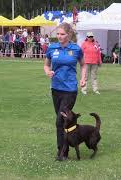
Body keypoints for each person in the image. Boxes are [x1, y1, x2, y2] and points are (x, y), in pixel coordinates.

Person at [43, 22, 86, 160]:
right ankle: (65, 148)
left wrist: (83, 78)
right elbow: (46, 65)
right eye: (58, 34)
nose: (59, 36)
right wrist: (48, 72)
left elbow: (83, 65)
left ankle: (62, 153)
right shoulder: (52, 48)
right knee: (62, 122)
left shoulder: (76, 49)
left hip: (70, 90)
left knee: (59, 121)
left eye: (62, 34)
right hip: (56, 89)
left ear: (69, 35)